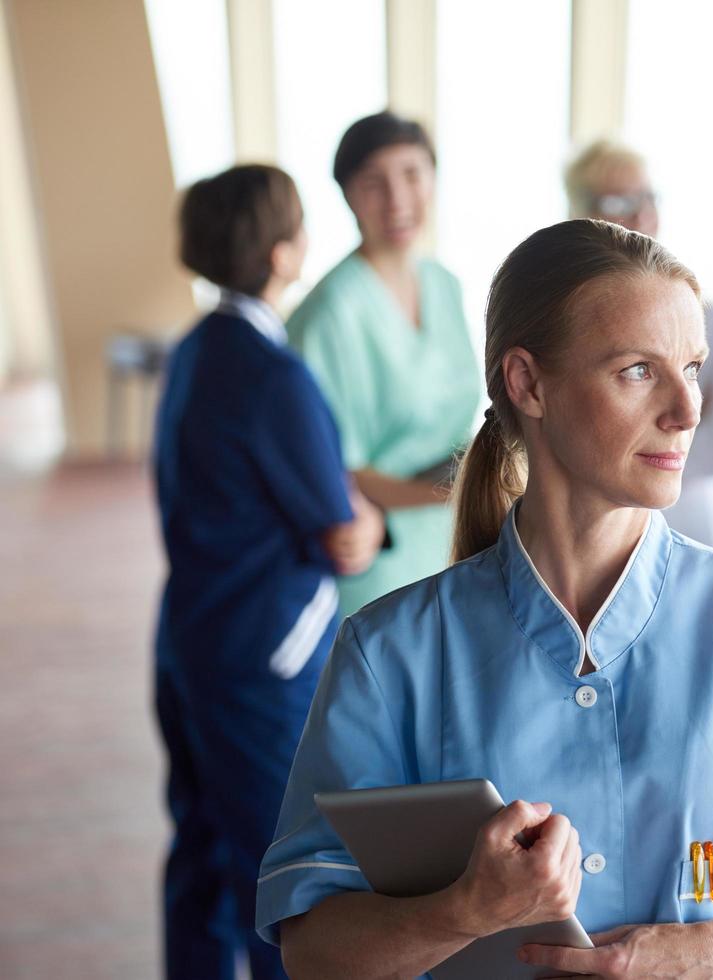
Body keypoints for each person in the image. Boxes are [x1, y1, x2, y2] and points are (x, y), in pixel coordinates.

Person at [256, 220, 713, 979]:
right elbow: (312, 950)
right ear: (527, 383)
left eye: (693, 367)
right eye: (638, 370)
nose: (687, 409)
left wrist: (697, 954)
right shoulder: (387, 655)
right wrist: (463, 911)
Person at [153, 164, 385, 979]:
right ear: (285, 254)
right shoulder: (273, 373)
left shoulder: (192, 353)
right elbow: (341, 534)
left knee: (201, 849)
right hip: (260, 655)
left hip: (189, 634)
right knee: (274, 866)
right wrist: (375, 514)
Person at [287, 110, 481, 616]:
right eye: (374, 183)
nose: (398, 200)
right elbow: (330, 466)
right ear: (348, 196)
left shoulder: (445, 284)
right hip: (377, 557)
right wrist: (461, 491)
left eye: (413, 175)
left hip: (457, 543)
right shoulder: (330, 312)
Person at [565, 139, 713, 549]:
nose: (642, 215)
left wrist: (620, 460)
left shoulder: (712, 320)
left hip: (690, 529)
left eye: (648, 198)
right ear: (578, 212)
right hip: (588, 541)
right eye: (618, 201)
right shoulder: (554, 324)